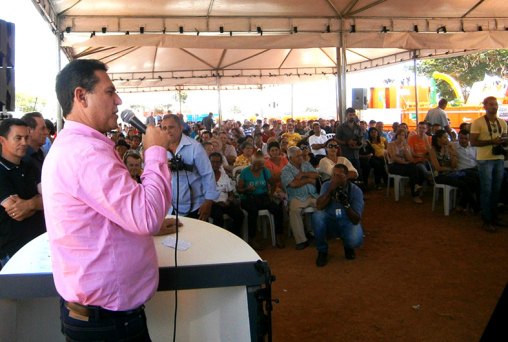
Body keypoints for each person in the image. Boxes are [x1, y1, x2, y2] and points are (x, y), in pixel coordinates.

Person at [41, 59, 178, 341]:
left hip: (102, 315)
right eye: (109, 92)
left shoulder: (78, 147)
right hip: (107, 323)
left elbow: (110, 216)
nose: (118, 100)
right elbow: (146, 216)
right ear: (81, 96)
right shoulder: (86, 153)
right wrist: (154, 152)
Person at [0, 119, 46, 270]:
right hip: (11, 253)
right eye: (18, 138)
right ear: (2, 140)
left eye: (26, 137)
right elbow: (16, 212)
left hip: (36, 246)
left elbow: (50, 199)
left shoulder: (29, 166)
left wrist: (29, 204)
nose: (24, 142)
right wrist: (38, 202)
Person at [161, 114, 219, 220]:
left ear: (180, 127)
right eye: (164, 128)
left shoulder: (195, 147)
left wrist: (208, 201)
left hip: (194, 206)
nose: (168, 131)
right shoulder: (159, 149)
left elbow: (207, 174)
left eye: (171, 127)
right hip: (168, 207)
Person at [312, 164, 364, 267]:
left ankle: (348, 246)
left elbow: (356, 220)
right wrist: (330, 191)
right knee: (317, 216)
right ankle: (322, 251)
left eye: (339, 176)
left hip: (347, 221)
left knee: (355, 241)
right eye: (334, 175)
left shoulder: (355, 191)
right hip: (330, 220)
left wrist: (346, 204)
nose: (335, 179)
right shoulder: (327, 185)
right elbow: (319, 206)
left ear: (346, 176)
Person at [470, 96, 508, 232]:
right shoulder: (478, 122)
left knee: (496, 189)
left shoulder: (502, 122)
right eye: (491, 104)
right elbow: (473, 142)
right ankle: (486, 219)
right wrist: (492, 142)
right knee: (487, 189)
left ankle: (494, 217)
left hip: (498, 158)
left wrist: (503, 142)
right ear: (484, 106)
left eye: (495, 104)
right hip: (484, 159)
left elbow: (504, 140)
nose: (494, 106)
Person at [237, 151, 284, 249]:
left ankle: (278, 235)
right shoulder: (245, 172)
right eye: (254, 165)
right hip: (248, 198)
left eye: (259, 166)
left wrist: (270, 194)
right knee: (253, 211)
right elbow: (239, 190)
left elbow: (273, 184)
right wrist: (247, 189)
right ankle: (252, 238)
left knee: (277, 210)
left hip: (262, 197)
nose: (256, 168)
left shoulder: (265, 171)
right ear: (251, 162)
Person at [429, 129, 479, 213]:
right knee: (463, 184)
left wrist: (453, 152)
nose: (447, 139)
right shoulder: (432, 150)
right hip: (440, 176)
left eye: (447, 137)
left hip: (451, 173)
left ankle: (463, 205)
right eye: (445, 137)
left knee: (472, 181)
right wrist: (451, 169)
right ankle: (475, 206)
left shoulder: (448, 148)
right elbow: (438, 168)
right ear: (439, 139)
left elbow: (454, 165)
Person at [281, 146, 320, 250]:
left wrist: (303, 174)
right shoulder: (286, 170)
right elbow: (293, 184)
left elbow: (316, 175)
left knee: (322, 205)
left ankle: (318, 234)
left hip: (312, 194)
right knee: (294, 211)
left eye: (301, 155)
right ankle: (301, 240)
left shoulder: (306, 164)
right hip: (296, 197)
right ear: (290, 158)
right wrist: (308, 180)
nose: (301, 157)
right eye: (297, 156)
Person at [209, 152, 244, 237]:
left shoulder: (224, 176)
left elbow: (231, 193)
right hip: (211, 203)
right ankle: (218, 238)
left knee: (239, 214)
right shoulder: (205, 176)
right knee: (218, 216)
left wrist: (228, 200)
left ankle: (233, 236)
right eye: (212, 162)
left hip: (225, 203)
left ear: (221, 163)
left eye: (217, 162)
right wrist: (215, 203)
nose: (215, 164)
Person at [387, 129, 425, 204]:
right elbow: (394, 157)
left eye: (403, 135)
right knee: (413, 169)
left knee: (419, 169)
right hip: (394, 165)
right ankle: (415, 193)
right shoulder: (391, 144)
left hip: (405, 164)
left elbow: (410, 159)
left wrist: (406, 151)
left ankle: (417, 186)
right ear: (396, 135)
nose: (401, 137)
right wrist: (405, 162)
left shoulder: (406, 145)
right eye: (400, 135)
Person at [21, 111, 49, 181]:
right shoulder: (23, 159)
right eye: (42, 129)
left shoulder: (40, 153)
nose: (46, 132)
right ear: (29, 131)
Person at [335, 107, 364, 178]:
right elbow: (336, 139)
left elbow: (361, 140)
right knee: (346, 173)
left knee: (357, 172)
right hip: (345, 154)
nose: (352, 116)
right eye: (350, 115)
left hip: (356, 153)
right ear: (346, 116)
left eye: (353, 115)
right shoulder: (341, 127)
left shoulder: (358, 127)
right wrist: (347, 142)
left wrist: (358, 145)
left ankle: (358, 187)